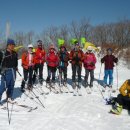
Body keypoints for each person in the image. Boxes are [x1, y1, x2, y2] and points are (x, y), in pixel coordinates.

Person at [0, 39, 18, 104]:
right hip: (6, 72)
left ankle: (9, 97)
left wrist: (16, 67)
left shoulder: (15, 53)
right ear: (7, 45)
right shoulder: (3, 53)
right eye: (10, 45)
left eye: (13, 45)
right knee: (3, 86)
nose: (12, 46)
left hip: (13, 71)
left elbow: (16, 62)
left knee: (11, 85)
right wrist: (1, 70)